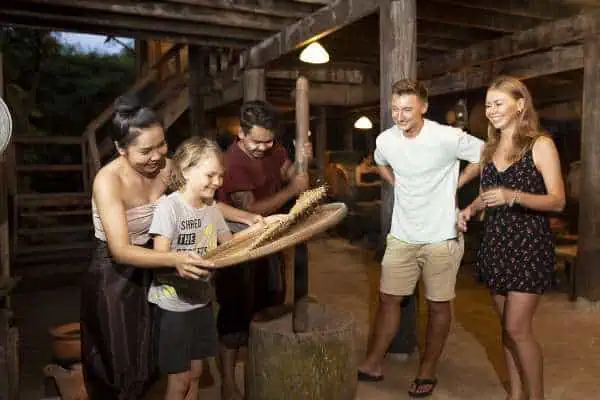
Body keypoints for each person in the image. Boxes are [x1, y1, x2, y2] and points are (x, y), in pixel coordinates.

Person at [80, 96, 258, 399]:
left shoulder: (166, 167)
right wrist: (173, 257)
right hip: (115, 275)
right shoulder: (108, 181)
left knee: (153, 356)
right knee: (119, 360)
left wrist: (249, 217)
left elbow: (201, 197)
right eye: (145, 150)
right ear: (122, 150)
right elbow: (120, 249)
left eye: (161, 144)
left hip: (156, 265)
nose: (156, 156)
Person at [357, 79, 484, 398]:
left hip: (441, 236)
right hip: (402, 235)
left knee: (438, 305)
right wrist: (397, 182)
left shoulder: (446, 136)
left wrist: (457, 181)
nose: (399, 116)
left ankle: (427, 370)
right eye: (395, 109)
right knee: (389, 299)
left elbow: (486, 153)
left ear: (424, 108)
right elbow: (380, 162)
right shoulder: (386, 140)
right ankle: (373, 362)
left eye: (407, 110)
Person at [458, 76, 565, 400]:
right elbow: (489, 195)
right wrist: (469, 209)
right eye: (488, 105)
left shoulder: (540, 145)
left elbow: (558, 200)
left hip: (529, 245)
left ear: (521, 105)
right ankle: (514, 395)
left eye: (498, 103)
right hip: (496, 243)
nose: (491, 111)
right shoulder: (488, 150)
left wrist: (513, 195)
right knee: (506, 328)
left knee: (518, 328)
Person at [148, 137, 261, 400]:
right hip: (173, 305)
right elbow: (159, 257)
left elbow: (228, 244)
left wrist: (260, 230)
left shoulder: (211, 208)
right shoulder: (169, 207)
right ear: (186, 170)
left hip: (201, 301)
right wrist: (179, 262)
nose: (218, 182)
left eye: (221, 176)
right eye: (210, 175)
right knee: (180, 378)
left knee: (197, 372)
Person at [216, 100, 311, 400]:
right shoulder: (233, 162)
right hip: (238, 244)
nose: (263, 146)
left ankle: (261, 374)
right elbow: (251, 208)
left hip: (270, 240)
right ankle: (229, 384)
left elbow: (286, 173)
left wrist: (299, 162)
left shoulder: (275, 149)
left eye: (269, 140)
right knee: (235, 314)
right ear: (241, 134)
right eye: (256, 141)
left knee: (268, 305)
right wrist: (292, 191)